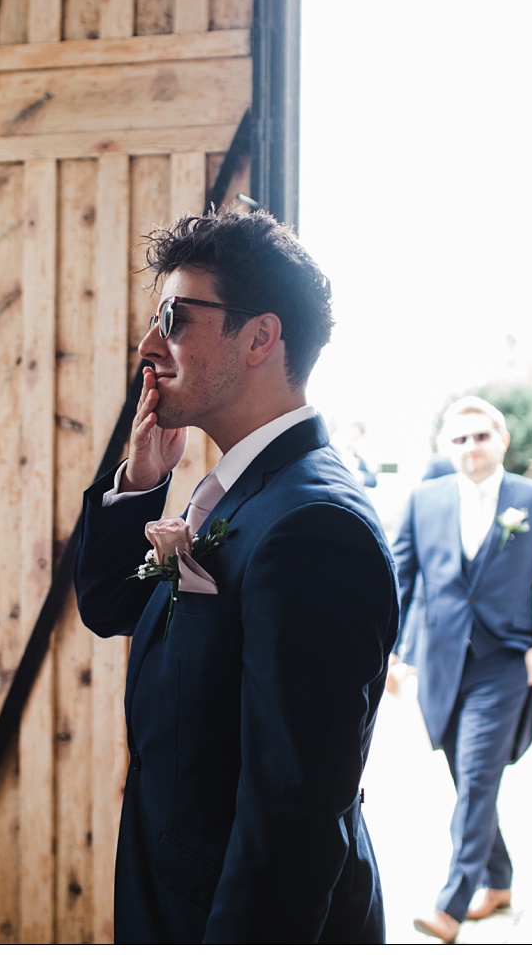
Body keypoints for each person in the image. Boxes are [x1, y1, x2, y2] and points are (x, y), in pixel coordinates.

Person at [74, 209, 398, 943]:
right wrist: (141, 477)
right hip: (173, 894)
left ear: (259, 337)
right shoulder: (233, 491)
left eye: (175, 318)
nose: (148, 343)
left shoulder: (316, 529)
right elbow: (108, 603)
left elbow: (293, 820)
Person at [389, 396, 532, 943]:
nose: (470, 447)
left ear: (502, 441)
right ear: (445, 447)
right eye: (460, 439)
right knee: (468, 780)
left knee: (475, 777)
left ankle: (450, 904)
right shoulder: (423, 501)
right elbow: (401, 581)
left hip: (504, 664)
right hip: (441, 663)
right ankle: (499, 881)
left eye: (480, 436)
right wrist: (394, 652)